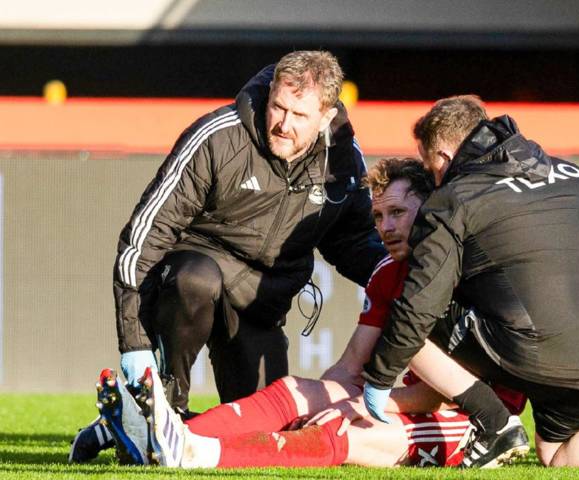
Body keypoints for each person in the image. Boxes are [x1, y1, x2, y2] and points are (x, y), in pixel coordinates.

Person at [93, 157, 528, 468]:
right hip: (415, 398)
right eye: (378, 216)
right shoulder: (388, 275)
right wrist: (312, 400)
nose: (386, 227)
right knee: (298, 391)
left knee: (349, 435)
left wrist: (354, 408)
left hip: (472, 417)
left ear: (430, 208)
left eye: (398, 212)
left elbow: (443, 392)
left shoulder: (465, 267)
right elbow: (350, 367)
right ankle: (159, 433)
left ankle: (194, 451)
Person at [69, 50, 386, 463]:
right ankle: (162, 400)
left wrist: (394, 278)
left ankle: (135, 424)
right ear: (269, 94)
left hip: (261, 304)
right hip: (194, 273)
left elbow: (353, 239)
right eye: (278, 107)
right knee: (195, 279)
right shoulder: (219, 136)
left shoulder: (343, 159)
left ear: (326, 118)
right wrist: (134, 344)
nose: (283, 124)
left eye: (299, 115)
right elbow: (142, 239)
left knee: (262, 430)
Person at [361, 96, 579, 469]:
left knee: (410, 318)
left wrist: (379, 380)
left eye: (432, 170)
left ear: (445, 158)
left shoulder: (455, 198)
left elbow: (421, 303)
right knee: (555, 458)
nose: (435, 181)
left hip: (535, 346)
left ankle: (494, 423)